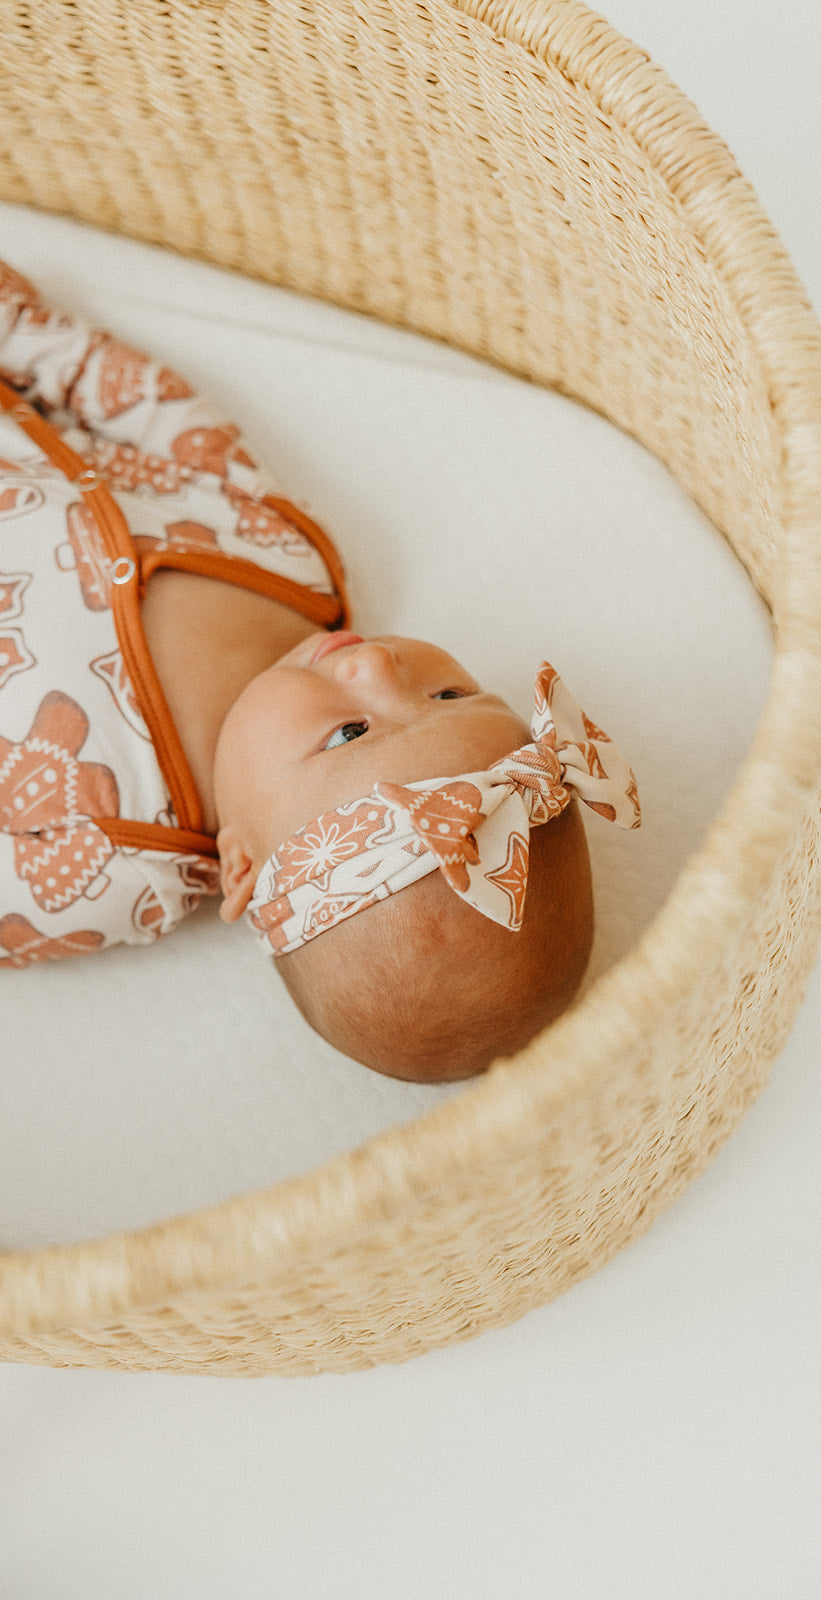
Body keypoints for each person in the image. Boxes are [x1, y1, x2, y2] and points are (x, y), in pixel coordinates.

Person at [0, 260, 640, 1081]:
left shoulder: (113, 865)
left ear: (240, 864)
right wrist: (24, 328)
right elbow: (161, 420)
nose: (376, 662)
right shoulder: (291, 567)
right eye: (447, 693)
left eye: (350, 732)